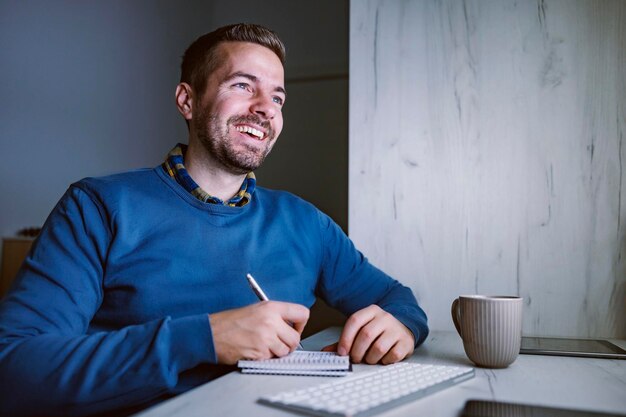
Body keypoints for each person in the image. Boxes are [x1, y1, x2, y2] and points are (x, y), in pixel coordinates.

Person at [0, 23, 428, 417]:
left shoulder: (305, 222)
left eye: (277, 97)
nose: (265, 108)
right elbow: (15, 369)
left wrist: (402, 327)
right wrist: (204, 338)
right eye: (243, 86)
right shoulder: (97, 207)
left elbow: (397, 299)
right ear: (188, 100)